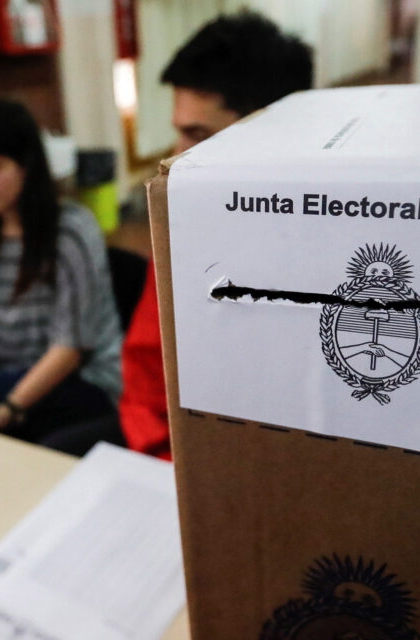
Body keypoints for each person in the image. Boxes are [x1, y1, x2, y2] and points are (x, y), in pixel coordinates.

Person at [120, 11, 314, 459]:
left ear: (269, 131)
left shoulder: (324, 250)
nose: (176, 157)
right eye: (178, 132)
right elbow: (148, 376)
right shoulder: (185, 229)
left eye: (197, 134)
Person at [0, 100, 123, 452]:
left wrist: (7, 411)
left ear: (26, 165)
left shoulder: (71, 231)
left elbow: (70, 347)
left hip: (82, 378)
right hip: (7, 374)